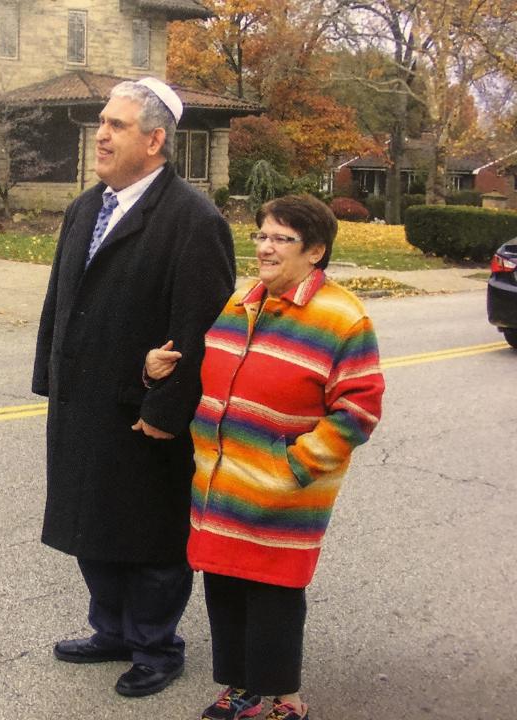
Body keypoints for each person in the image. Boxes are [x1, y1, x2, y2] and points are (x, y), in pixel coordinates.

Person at [32, 77, 236, 698]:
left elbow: (201, 331)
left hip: (143, 412)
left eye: (115, 126)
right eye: (101, 122)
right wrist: (51, 375)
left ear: (154, 141)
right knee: (93, 524)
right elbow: (59, 301)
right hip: (83, 402)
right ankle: (113, 630)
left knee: (148, 534)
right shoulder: (87, 206)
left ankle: (155, 644)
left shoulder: (192, 221)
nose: (100, 134)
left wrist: (167, 411)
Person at [144, 194, 385, 719]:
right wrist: (154, 371)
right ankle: (241, 688)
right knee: (226, 587)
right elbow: (203, 374)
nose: (266, 248)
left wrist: (292, 466)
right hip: (220, 485)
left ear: (315, 251)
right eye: (261, 236)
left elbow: (359, 410)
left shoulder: (343, 317)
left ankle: (284, 701)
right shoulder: (241, 302)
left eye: (282, 238)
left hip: (283, 492)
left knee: (273, 593)